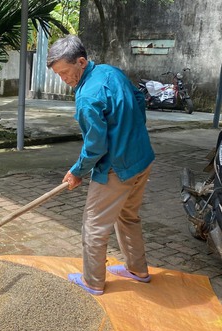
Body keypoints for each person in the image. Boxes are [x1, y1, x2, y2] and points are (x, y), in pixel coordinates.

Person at [47, 35, 156, 295]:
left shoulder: (87, 97)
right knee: (128, 216)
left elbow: (96, 147)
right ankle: (138, 270)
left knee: (94, 225)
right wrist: (132, 132)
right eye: (58, 74)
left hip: (117, 169)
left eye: (65, 72)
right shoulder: (111, 72)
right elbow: (139, 100)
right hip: (142, 158)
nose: (64, 79)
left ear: (81, 62)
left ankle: (93, 281)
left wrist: (77, 172)